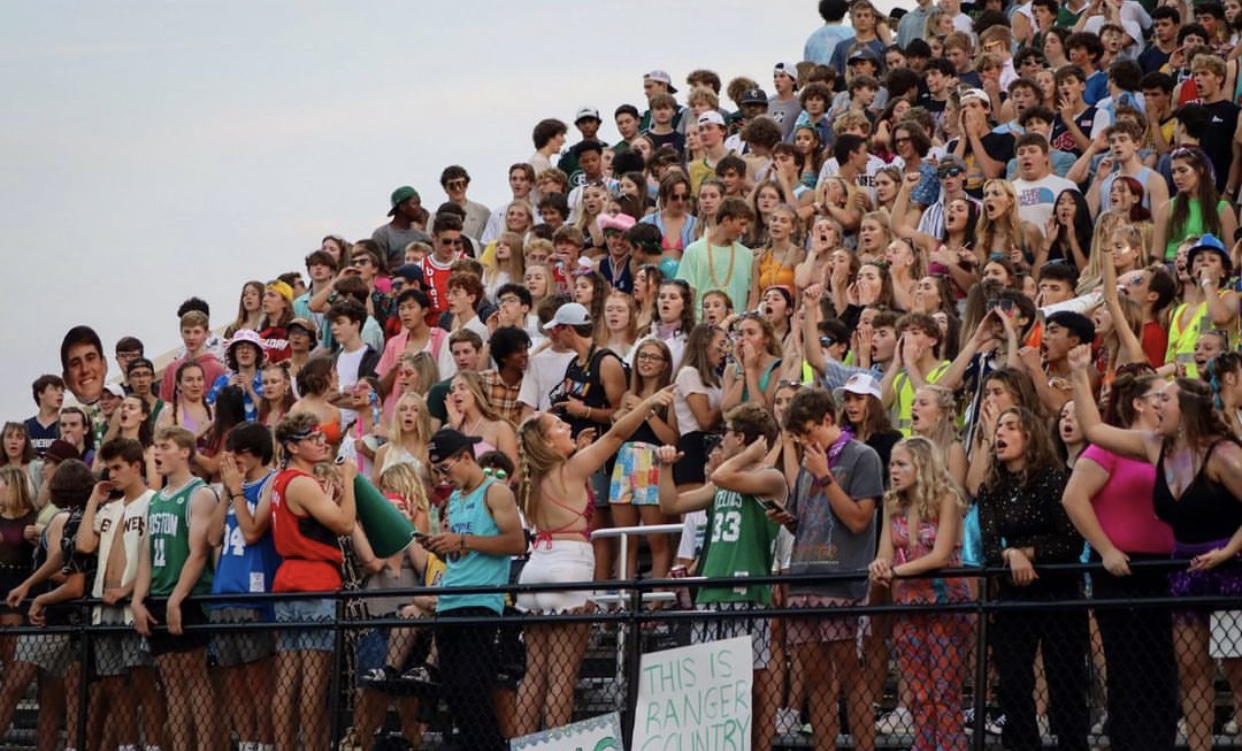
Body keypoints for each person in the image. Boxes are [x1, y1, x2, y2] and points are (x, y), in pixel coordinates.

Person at [1069, 343, 1242, 751]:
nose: (1154, 406)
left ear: (1187, 410)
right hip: (1184, 567)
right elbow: (1095, 431)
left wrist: (1229, 550)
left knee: (1237, 671)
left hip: (1230, 568)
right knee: (1190, 669)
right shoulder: (1154, 446)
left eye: (1164, 400)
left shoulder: (1224, 454)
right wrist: (1079, 376)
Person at [515, 383, 675, 735]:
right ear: (546, 443)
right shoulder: (570, 470)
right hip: (568, 571)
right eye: (559, 427)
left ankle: (524, 745)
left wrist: (579, 450)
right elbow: (617, 434)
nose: (568, 426)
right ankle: (556, 746)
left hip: (534, 570)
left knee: (534, 675)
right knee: (562, 676)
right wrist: (647, 403)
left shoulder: (530, 478)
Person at [656, 402, 787, 751]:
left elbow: (723, 475)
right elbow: (671, 505)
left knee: (743, 685)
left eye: (726, 433)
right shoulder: (721, 482)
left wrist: (745, 457)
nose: (720, 440)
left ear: (741, 438)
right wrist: (664, 468)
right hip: (712, 592)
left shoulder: (770, 478)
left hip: (745, 595)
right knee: (710, 686)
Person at [1061, 367, 1179, 751]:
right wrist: (1107, 549)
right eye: (1160, 395)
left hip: (1165, 569)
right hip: (1122, 569)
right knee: (1128, 669)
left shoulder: (1166, 444)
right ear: (1139, 403)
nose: (1166, 401)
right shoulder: (1109, 447)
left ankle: (1159, 742)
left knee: (1163, 669)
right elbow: (1073, 498)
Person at [775, 387, 884, 751]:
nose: (806, 441)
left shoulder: (862, 457)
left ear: (827, 419)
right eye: (799, 437)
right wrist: (788, 520)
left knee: (852, 677)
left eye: (809, 432)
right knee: (817, 679)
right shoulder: (809, 464)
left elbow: (858, 520)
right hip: (804, 579)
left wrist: (824, 476)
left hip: (842, 582)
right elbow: (807, 520)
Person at [978, 406, 1089, 751]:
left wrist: (1026, 552)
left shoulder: (1055, 479)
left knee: (1065, 681)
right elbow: (990, 545)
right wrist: (1011, 555)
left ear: (1030, 436)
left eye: (1011, 427)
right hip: (1015, 596)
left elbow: (1071, 540)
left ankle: (1073, 745)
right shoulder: (990, 489)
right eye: (999, 427)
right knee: (1012, 680)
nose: (1001, 433)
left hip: (1060, 593)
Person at [419, 429, 525, 751]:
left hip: (480, 601)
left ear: (466, 457)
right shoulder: (455, 498)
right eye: (438, 472)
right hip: (450, 600)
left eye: (446, 469)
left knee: (473, 686)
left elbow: (516, 543)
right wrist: (440, 546)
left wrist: (461, 541)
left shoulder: (496, 493)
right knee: (452, 688)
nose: (443, 477)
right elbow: (460, 552)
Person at [868, 436, 971, 751]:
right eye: (892, 465)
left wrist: (895, 572)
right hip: (908, 606)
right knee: (920, 696)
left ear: (922, 467)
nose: (893, 471)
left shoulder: (947, 498)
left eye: (901, 464)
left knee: (945, 694)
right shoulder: (892, 503)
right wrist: (880, 567)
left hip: (944, 605)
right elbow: (885, 552)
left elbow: (940, 556)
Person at [267, 413, 357, 751]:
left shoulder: (280, 480)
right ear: (292, 446)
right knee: (313, 683)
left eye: (322, 436)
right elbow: (345, 524)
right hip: (314, 582)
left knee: (288, 676)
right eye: (312, 437)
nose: (322, 442)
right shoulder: (302, 482)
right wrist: (348, 480)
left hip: (290, 580)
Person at [131, 428, 223, 751]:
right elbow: (145, 552)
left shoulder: (200, 493)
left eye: (164, 446)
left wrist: (177, 598)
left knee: (194, 678)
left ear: (184, 452)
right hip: (157, 596)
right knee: (170, 682)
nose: (156, 453)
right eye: (155, 446)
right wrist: (138, 600)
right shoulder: (156, 499)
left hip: (188, 596)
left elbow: (198, 552)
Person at [78, 438, 164, 751]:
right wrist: (93, 499)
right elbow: (85, 544)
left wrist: (129, 590)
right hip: (105, 606)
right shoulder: (110, 507)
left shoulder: (155, 501)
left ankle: (153, 746)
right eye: (108, 468)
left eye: (118, 467)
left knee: (144, 682)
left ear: (136, 467)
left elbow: (157, 555)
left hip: (133, 605)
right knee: (115, 685)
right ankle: (127, 746)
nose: (111, 474)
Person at [209, 425, 280, 751]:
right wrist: (227, 491)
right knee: (234, 683)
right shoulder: (232, 487)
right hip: (224, 593)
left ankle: (266, 744)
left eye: (239, 452)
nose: (233, 458)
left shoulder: (271, 482)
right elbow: (212, 537)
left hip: (255, 593)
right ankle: (248, 743)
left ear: (255, 453)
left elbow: (252, 533)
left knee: (259, 684)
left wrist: (237, 491)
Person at [373, 186, 431, 269]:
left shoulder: (423, 237)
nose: (420, 208)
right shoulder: (382, 235)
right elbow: (379, 267)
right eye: (415, 204)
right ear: (403, 207)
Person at [25, 375, 63, 457]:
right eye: (54, 389)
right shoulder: (25, 427)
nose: (60, 393)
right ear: (41, 394)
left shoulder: (67, 425)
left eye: (62, 390)